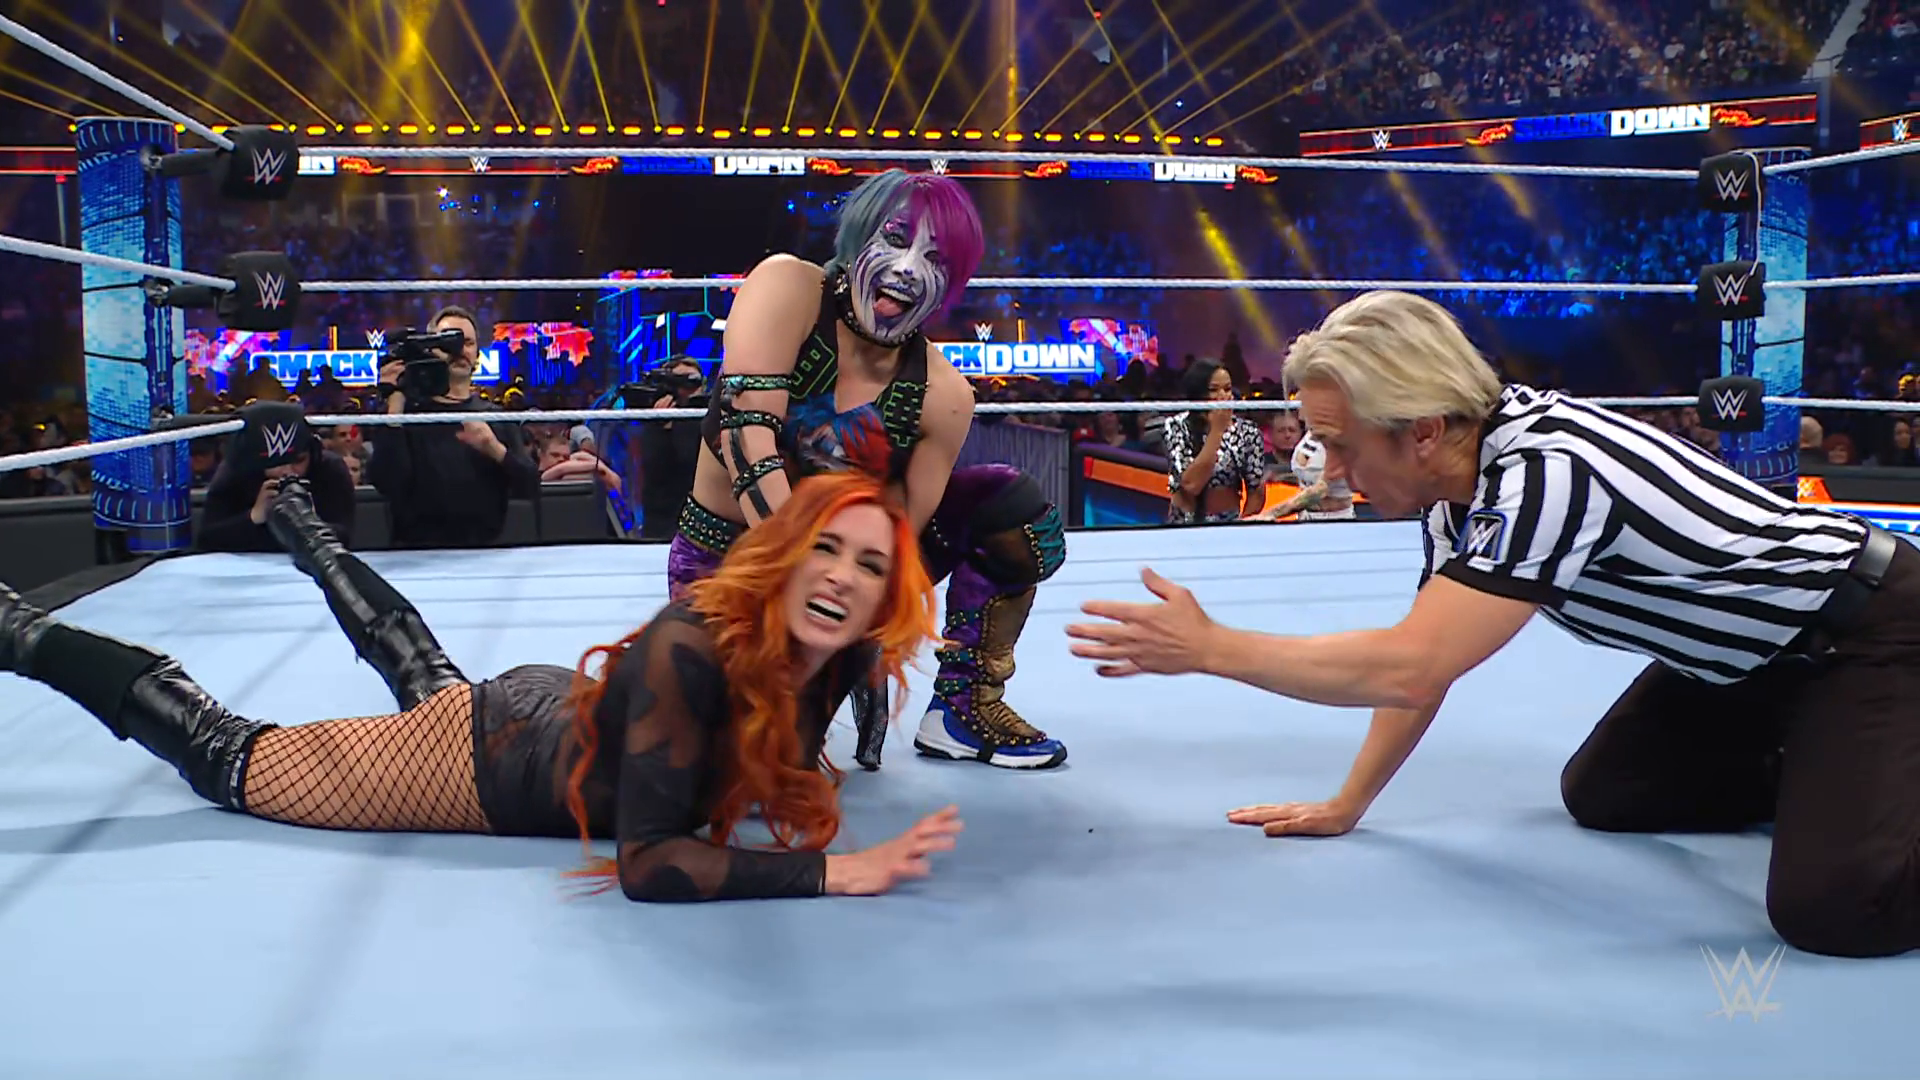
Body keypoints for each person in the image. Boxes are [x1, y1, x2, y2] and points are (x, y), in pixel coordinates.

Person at [1066, 290, 1920, 959]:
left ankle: (1877, 772)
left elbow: (1409, 664)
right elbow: (1427, 659)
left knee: (1835, 909)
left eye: (1344, 443)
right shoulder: (1459, 485)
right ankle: (1851, 774)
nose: (1331, 468)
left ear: (1422, 430)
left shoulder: (1547, 470)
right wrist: (1348, 803)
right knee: (1608, 793)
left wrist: (1214, 649)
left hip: (1868, 632)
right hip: (1744, 663)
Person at [0, 471, 964, 902]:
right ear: (785, 552)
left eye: (870, 564)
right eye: (825, 548)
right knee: (230, 757)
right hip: (492, 765)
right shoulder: (690, 647)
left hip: (562, 710)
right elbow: (651, 865)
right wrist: (835, 873)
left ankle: (295, 519)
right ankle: (16, 628)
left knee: (426, 672)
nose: (843, 577)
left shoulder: (837, 648)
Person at [671, 168, 1068, 771]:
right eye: (896, 239)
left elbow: (901, 542)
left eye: (934, 258)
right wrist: (814, 590)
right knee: (742, 767)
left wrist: (866, 637)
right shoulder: (787, 290)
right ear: (857, 237)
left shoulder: (943, 395)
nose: (907, 269)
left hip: (839, 578)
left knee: (1015, 514)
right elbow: (748, 441)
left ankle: (963, 707)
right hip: (731, 562)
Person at [365, 305, 542, 547]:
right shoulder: (406, 416)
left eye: (467, 343)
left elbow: (531, 486)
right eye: (449, 342)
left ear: (477, 354)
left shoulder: (495, 418)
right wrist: (395, 400)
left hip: (484, 552)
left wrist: (495, 450)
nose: (459, 350)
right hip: (416, 553)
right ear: (430, 349)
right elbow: (386, 482)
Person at [197, 402, 357, 553]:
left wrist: (308, 521)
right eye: (276, 463)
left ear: (312, 454)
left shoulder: (329, 469)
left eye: (298, 461)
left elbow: (345, 537)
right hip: (248, 564)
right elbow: (207, 540)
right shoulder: (235, 471)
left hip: (313, 562)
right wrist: (253, 517)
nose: (287, 471)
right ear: (257, 462)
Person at [1162, 358, 1266, 524]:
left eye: (1227, 389)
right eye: (1214, 390)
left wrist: (1241, 526)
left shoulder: (1248, 432)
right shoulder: (1176, 426)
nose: (1223, 396)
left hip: (1229, 522)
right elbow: (1191, 485)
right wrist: (1217, 431)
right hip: (1184, 523)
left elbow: (1257, 492)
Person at [1245, 421, 1355, 523]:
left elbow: (1320, 490)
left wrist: (1270, 514)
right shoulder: (1311, 432)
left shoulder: (1340, 440)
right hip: (1306, 518)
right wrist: (1282, 478)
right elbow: (1311, 477)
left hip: (1334, 521)